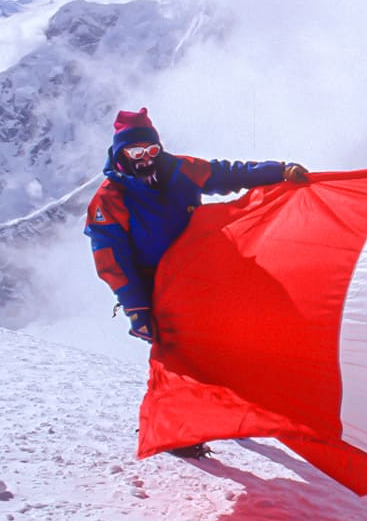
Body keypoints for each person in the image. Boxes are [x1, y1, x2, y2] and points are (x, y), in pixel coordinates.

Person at [85, 107, 309, 346]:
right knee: (193, 351)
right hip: (161, 289)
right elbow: (112, 260)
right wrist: (136, 308)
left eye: (152, 149)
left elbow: (227, 173)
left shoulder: (180, 170)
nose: (146, 158)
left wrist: (279, 171)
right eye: (136, 152)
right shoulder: (109, 200)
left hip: (204, 271)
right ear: (121, 154)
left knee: (250, 328)